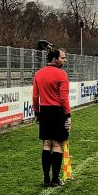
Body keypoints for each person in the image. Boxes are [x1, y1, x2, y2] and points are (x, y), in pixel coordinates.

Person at [33, 48, 72, 187]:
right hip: (57, 112)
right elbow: (63, 97)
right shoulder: (61, 75)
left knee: (46, 144)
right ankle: (55, 179)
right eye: (62, 58)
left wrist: (37, 113)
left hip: (44, 111)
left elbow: (35, 96)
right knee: (56, 144)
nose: (64, 60)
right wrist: (67, 115)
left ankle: (45, 178)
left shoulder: (38, 74)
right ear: (54, 59)